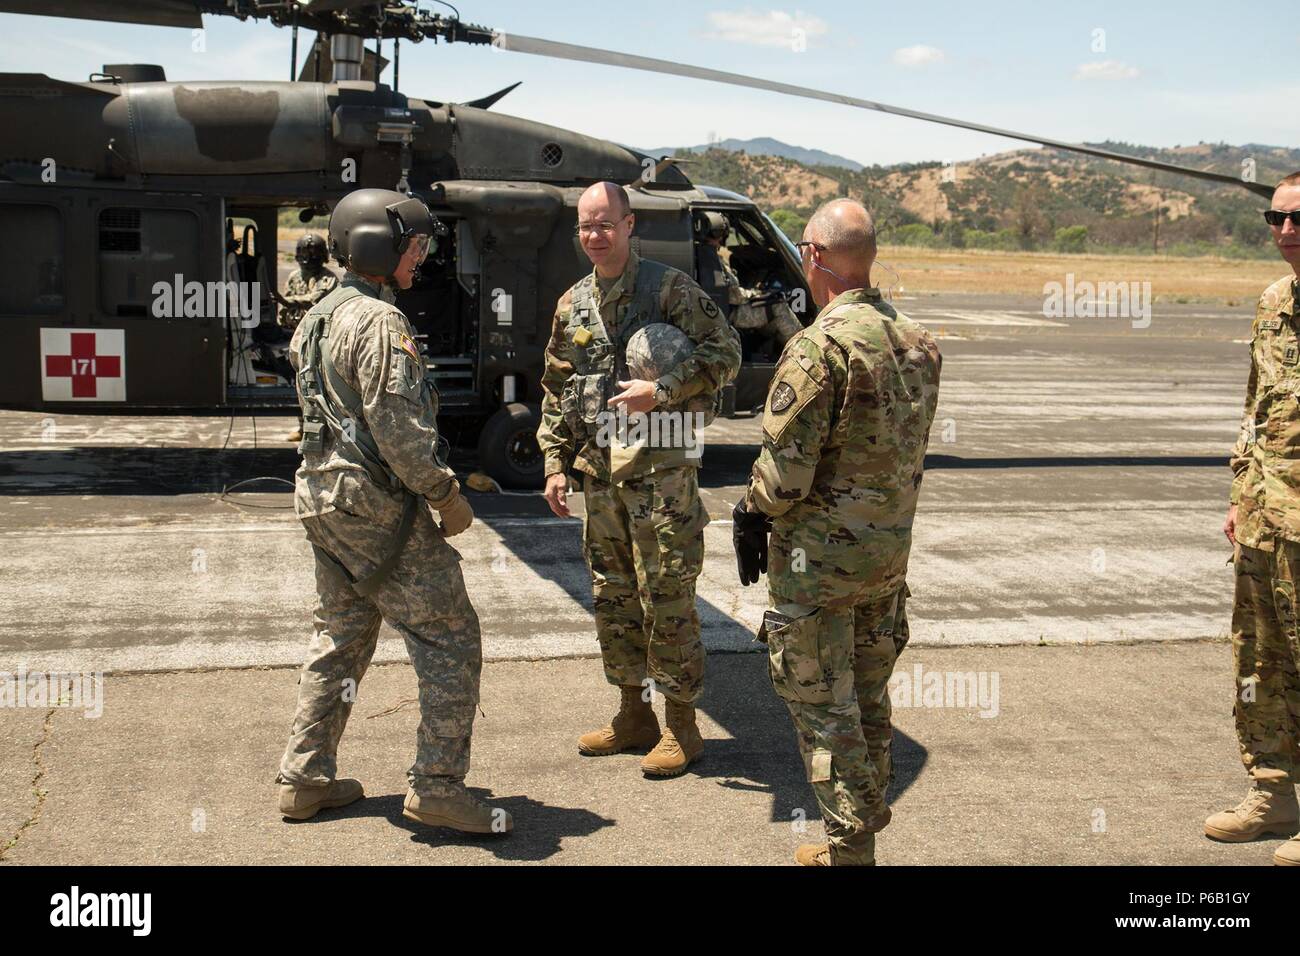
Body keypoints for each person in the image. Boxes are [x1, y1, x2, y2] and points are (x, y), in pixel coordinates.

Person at [275, 188, 511, 835]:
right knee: (451, 637)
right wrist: (445, 494)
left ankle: (305, 777)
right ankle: (437, 786)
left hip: (323, 502)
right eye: (415, 246)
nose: (422, 257)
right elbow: (399, 432)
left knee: (340, 637)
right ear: (382, 248)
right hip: (377, 506)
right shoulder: (381, 323)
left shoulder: (317, 316)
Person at [733, 198, 940, 865]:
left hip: (820, 571)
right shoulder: (918, 341)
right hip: (885, 564)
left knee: (827, 715)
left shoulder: (818, 348)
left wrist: (750, 510)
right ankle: (858, 830)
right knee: (869, 703)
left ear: (814, 255)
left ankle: (851, 854)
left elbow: (785, 478)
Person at [537, 181, 741, 777]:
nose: (594, 236)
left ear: (630, 226)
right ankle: (633, 714)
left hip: (663, 474)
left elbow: (725, 351)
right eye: (585, 227)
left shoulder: (670, 289)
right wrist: (554, 460)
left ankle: (682, 727)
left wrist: (664, 389)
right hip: (601, 471)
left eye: (605, 224)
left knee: (668, 598)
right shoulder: (573, 303)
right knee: (614, 595)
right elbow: (556, 387)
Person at [1211, 171, 1300, 866]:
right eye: (1275, 218)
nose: (1286, 231)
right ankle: (1272, 793)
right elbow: (1257, 409)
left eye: (1297, 218)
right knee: (1260, 661)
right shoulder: (1274, 302)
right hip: (1265, 520)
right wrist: (1240, 495)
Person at [695, 212, 800, 349]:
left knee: (772, 319)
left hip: (716, 312)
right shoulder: (713, 260)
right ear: (719, 234)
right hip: (731, 314)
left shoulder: (700, 253)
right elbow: (735, 296)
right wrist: (757, 294)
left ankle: (769, 351)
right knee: (778, 305)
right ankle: (801, 350)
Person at [280, 233, 340, 442]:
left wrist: (291, 302)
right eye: (305, 253)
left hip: (320, 339)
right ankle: (303, 427)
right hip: (297, 338)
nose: (309, 257)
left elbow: (317, 299)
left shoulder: (329, 278)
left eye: (314, 253)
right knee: (301, 385)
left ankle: (322, 430)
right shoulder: (294, 276)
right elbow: (285, 303)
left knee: (319, 386)